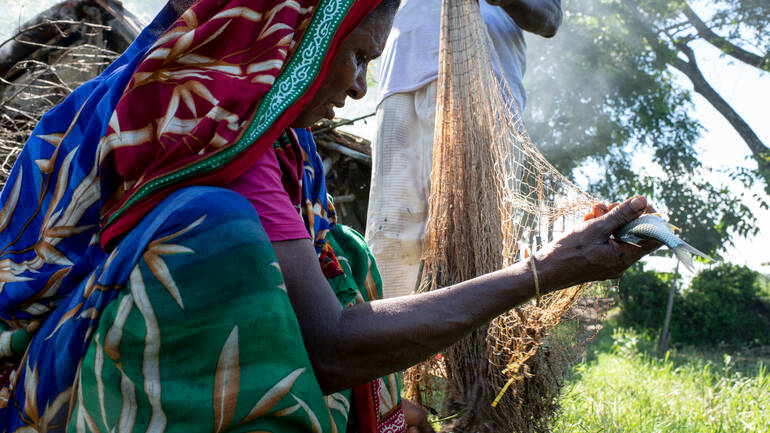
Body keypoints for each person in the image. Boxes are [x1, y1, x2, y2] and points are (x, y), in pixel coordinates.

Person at [0, 0, 655, 431]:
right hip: (59, 392)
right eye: (359, 56)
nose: (361, 86)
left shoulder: (281, 149)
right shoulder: (210, 139)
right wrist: (545, 270)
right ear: (298, 40)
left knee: (345, 256)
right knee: (217, 234)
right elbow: (330, 344)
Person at [366, 0, 562, 298]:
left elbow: (551, 16)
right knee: (390, 236)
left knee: (476, 241)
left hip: (487, 83)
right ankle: (382, 326)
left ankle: (470, 327)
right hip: (402, 78)